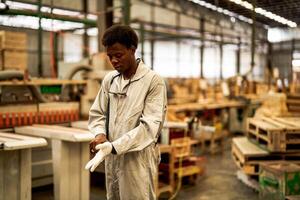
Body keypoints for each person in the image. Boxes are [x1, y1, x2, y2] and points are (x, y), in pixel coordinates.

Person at [85, 24, 167, 200]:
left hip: (137, 160)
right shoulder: (110, 80)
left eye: (118, 55)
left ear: (132, 49)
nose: (114, 60)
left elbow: (149, 128)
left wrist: (115, 146)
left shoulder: (153, 81)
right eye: (110, 56)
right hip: (111, 156)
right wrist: (100, 134)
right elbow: (98, 113)